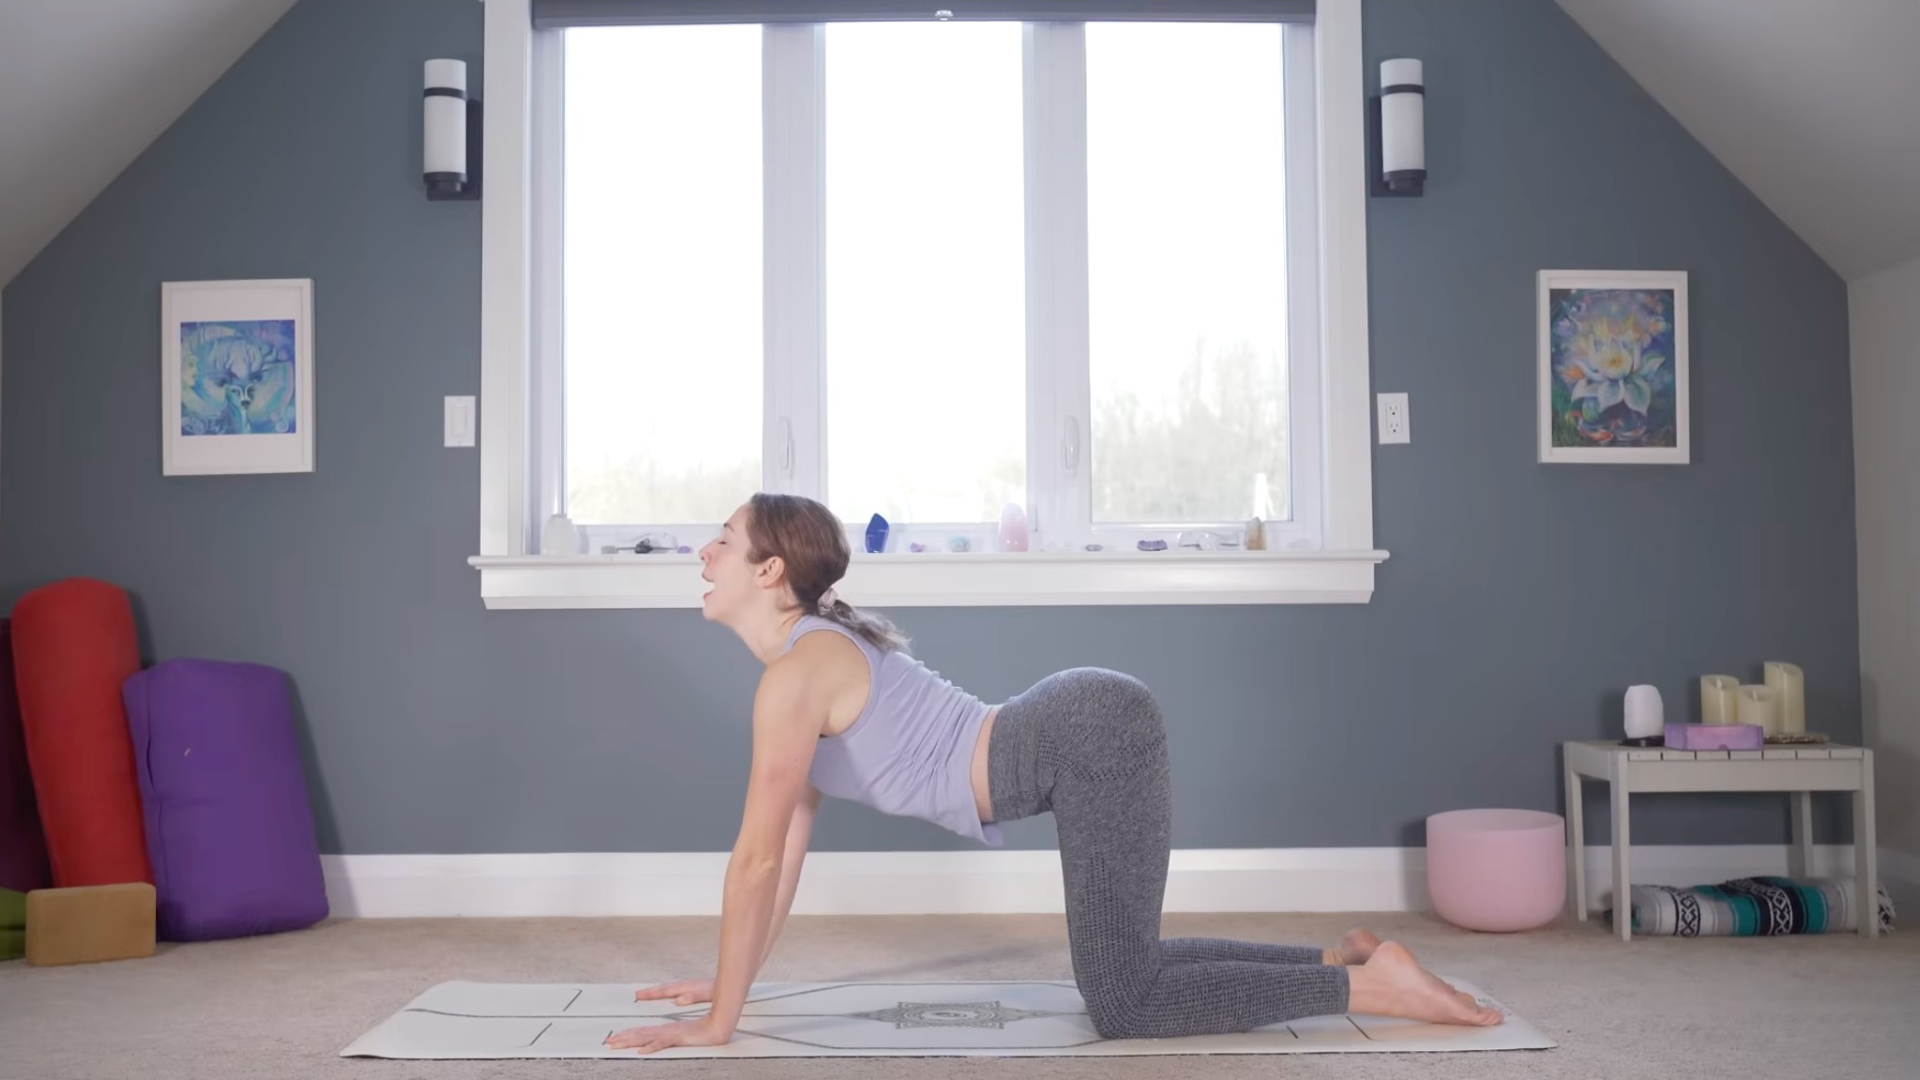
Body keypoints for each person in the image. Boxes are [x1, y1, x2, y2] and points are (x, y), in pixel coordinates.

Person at [606, 493, 1503, 1054]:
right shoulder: (802, 668)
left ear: (769, 571)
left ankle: (1372, 989)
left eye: (720, 541)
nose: (703, 553)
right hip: (1082, 728)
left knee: (1124, 1001)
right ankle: (1342, 956)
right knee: (1129, 968)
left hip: (1086, 735)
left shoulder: (798, 673)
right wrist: (734, 985)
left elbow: (754, 861)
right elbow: (785, 855)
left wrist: (718, 1024)